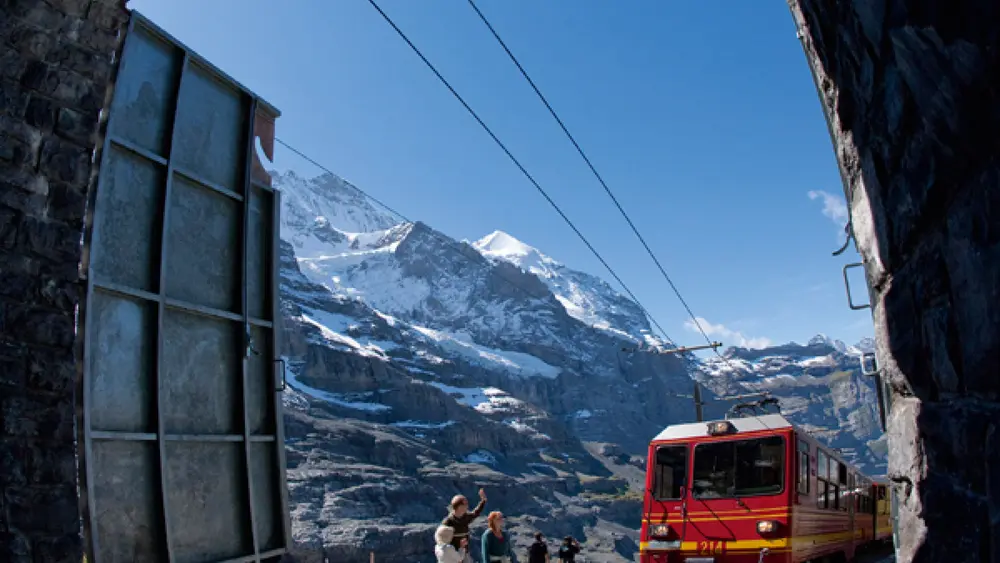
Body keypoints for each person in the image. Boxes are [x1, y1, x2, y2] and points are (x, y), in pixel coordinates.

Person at [442, 488, 487, 561]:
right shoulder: (448, 522)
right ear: (459, 506)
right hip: (453, 555)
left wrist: (483, 501)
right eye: (465, 504)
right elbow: (442, 540)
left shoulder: (465, 518)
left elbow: (476, 513)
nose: (467, 506)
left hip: (465, 553)